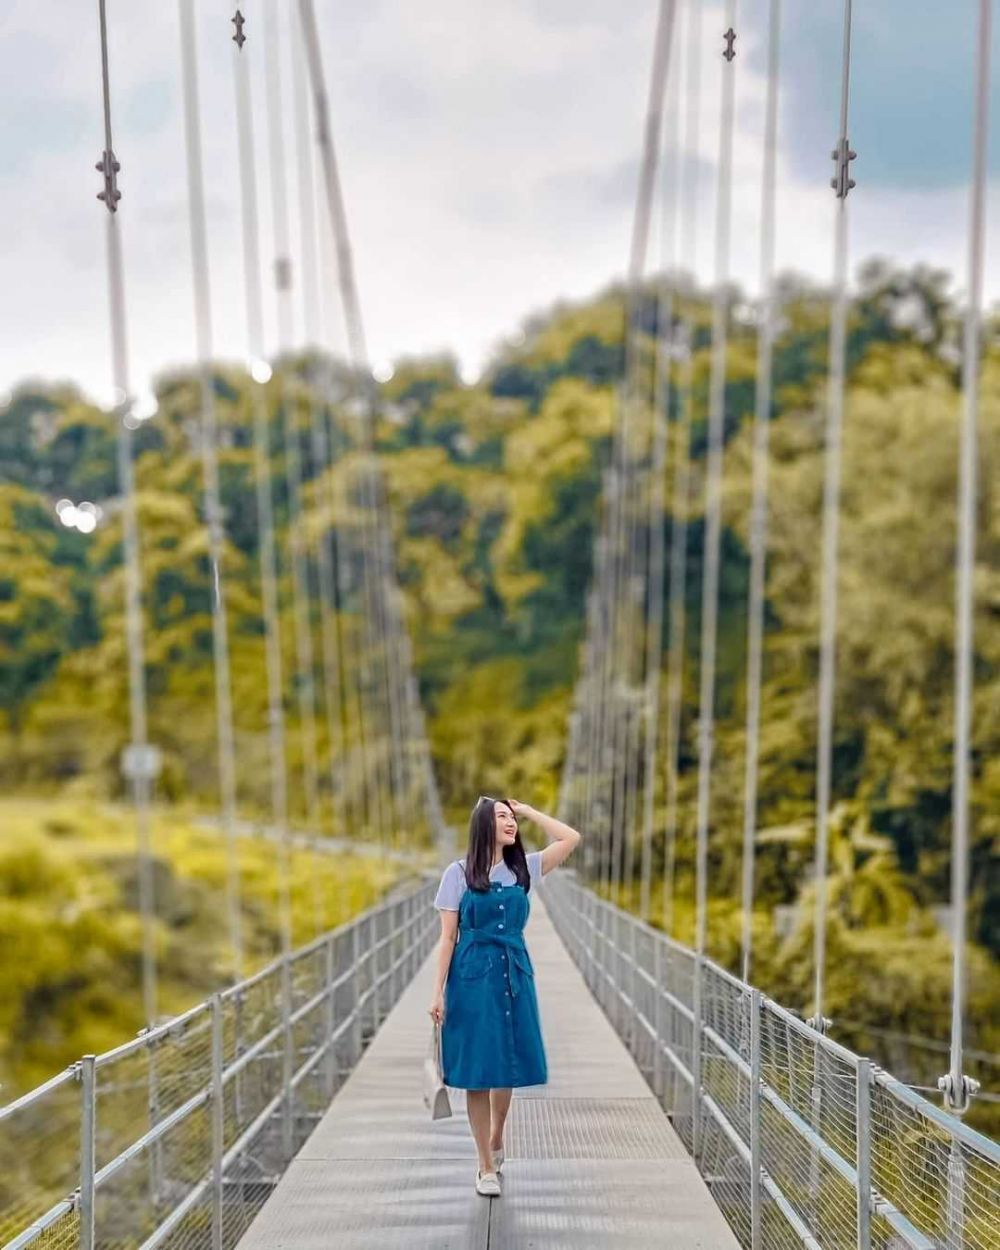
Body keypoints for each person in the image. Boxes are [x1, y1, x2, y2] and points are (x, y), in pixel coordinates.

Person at [429, 795, 581, 1197]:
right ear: (483, 825)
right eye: (501, 816)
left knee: (506, 1064)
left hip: (514, 974)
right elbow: (447, 938)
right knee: (478, 1073)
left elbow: (570, 838)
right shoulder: (457, 874)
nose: (510, 822)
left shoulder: (525, 869)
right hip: (470, 977)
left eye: (512, 818)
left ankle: (498, 1133)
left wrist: (530, 811)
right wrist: (438, 993)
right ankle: (484, 1166)